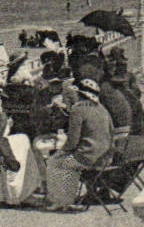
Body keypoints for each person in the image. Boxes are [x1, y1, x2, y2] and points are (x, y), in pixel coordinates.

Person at [42, 78, 113, 211]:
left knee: (54, 162)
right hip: (106, 157)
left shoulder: (78, 110)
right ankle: (64, 199)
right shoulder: (103, 109)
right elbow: (111, 132)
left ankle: (61, 201)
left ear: (80, 94)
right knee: (64, 162)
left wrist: (61, 152)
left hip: (88, 157)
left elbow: (73, 141)